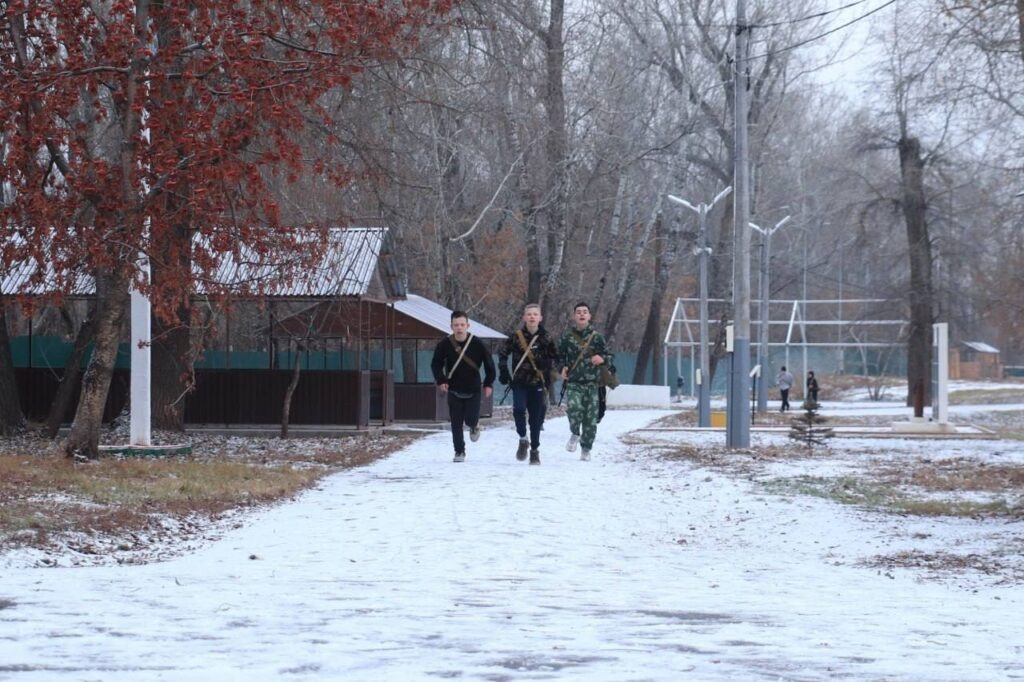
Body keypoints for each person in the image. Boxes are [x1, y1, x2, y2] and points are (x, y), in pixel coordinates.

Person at [431, 310, 496, 463]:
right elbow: (436, 363)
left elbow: (489, 365)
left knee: (470, 419)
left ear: (467, 325)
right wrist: (441, 380)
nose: (459, 328)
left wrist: (488, 383)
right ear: (451, 326)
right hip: (453, 388)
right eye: (456, 325)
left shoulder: (477, 343)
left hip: (473, 388)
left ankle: (474, 426)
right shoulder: (445, 344)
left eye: (462, 325)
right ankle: (459, 451)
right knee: (456, 422)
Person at [498, 303, 558, 465]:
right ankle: (523, 438)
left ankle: (535, 450)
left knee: (536, 419)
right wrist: (503, 370)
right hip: (519, 381)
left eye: (535, 314)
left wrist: (544, 363)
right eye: (529, 314)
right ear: (524, 317)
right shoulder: (516, 336)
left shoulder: (546, 337)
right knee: (518, 410)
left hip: (538, 382)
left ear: (540, 318)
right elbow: (502, 352)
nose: (532, 317)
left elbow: (556, 358)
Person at [559, 302, 613, 461]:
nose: (582, 314)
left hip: (592, 384)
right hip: (574, 382)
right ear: (574, 316)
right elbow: (559, 356)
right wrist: (562, 367)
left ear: (589, 316)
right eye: (578, 312)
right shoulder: (567, 337)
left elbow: (610, 356)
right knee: (574, 408)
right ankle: (575, 433)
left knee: (590, 420)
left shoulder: (597, 338)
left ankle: (586, 448)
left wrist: (602, 358)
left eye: (585, 312)